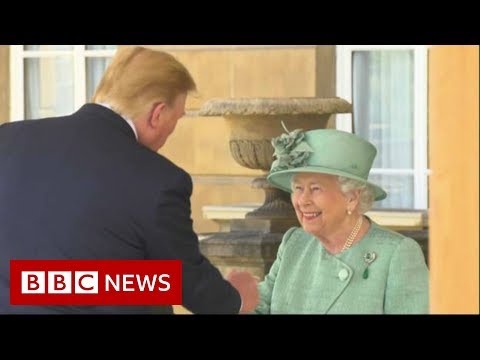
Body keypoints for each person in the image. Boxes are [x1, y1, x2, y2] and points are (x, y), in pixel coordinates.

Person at [0, 46, 258, 314]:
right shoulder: (158, 180)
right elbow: (187, 282)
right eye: (177, 118)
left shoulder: (7, 141)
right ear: (157, 114)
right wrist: (237, 299)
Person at [253, 127, 429, 314]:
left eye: (315, 189)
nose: (302, 200)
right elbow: (256, 306)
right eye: (298, 188)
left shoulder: (396, 254)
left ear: (352, 197)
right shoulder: (294, 244)